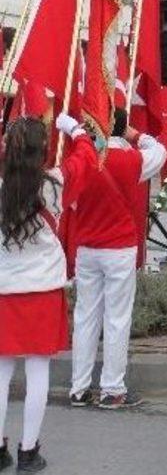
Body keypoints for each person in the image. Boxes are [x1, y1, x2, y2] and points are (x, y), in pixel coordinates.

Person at [0, 113, 98, 472]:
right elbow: (88, 156)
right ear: (42, 152)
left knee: (1, 372)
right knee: (39, 370)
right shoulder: (53, 184)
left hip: (4, 289)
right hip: (41, 289)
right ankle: (29, 450)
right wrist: (72, 128)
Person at [69, 107, 166, 409]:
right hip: (120, 248)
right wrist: (135, 135)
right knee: (116, 319)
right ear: (122, 129)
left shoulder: (82, 160)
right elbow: (160, 151)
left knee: (85, 318)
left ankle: (79, 388)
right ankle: (112, 389)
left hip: (87, 247)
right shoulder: (132, 159)